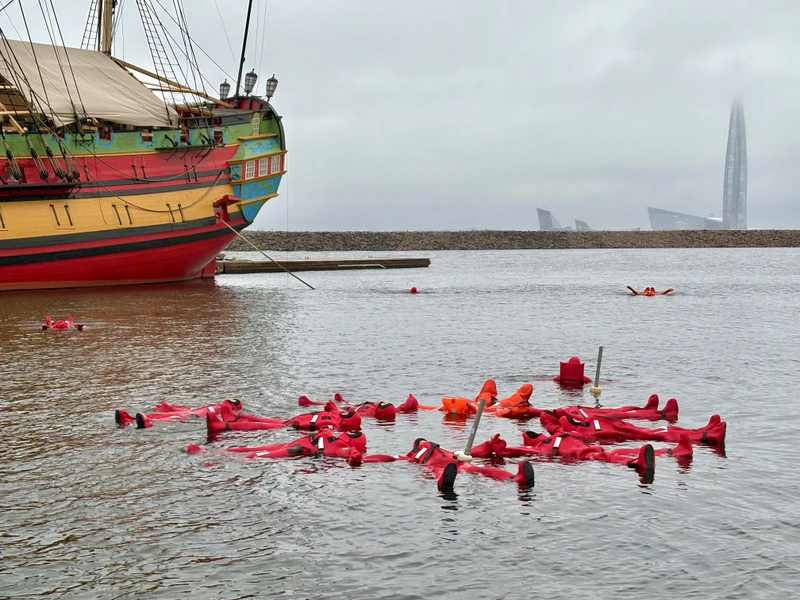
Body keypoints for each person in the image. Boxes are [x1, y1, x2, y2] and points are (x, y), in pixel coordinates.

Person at [357, 438, 535, 491]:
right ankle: (444, 483)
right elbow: (388, 457)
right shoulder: (411, 455)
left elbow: (471, 452)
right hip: (435, 466)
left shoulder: (445, 449)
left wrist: (487, 446)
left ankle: (516, 478)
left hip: (457, 463)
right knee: (439, 471)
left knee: (483, 468)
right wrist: (364, 459)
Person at [539, 411, 727, 445]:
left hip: (626, 428)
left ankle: (703, 431)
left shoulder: (581, 425)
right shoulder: (576, 434)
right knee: (661, 434)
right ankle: (705, 436)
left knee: (661, 430)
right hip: (628, 432)